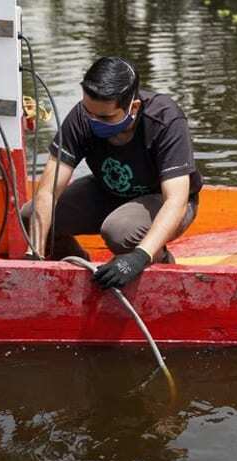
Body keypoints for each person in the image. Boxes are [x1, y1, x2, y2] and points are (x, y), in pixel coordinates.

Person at [23, 56, 203, 289]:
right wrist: (34, 253)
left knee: (119, 231)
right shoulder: (81, 117)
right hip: (109, 191)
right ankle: (75, 274)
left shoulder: (165, 119)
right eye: (90, 113)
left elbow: (176, 201)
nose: (93, 121)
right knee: (31, 215)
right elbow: (48, 191)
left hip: (163, 202)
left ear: (133, 107)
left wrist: (138, 257)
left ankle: (164, 271)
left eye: (105, 117)